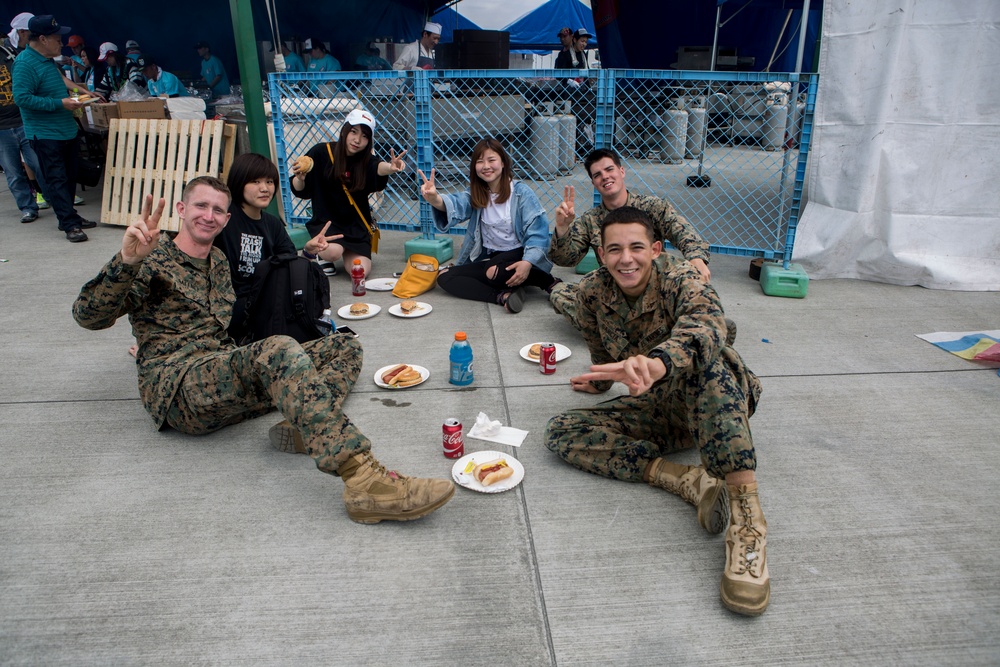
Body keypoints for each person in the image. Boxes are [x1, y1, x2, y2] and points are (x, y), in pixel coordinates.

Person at [73, 176, 456, 524]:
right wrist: (126, 261)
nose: (209, 216)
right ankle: (365, 482)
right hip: (180, 391)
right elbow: (88, 316)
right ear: (181, 210)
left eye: (218, 210)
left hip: (221, 377)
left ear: (226, 220)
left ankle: (305, 425)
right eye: (201, 206)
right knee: (278, 350)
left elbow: (236, 323)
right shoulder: (149, 259)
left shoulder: (219, 260)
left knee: (342, 345)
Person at [544, 206, 769, 616]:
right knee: (561, 429)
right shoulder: (593, 292)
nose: (625, 258)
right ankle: (686, 480)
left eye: (635, 247)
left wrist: (660, 362)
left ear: (656, 248)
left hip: (716, 402)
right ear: (601, 252)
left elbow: (707, 324)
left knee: (710, 364)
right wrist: (599, 381)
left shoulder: (680, 276)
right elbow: (604, 356)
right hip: (659, 407)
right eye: (614, 249)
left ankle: (747, 520)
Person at [549, 148, 714, 325]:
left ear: (621, 171)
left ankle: (619, 328)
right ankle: (641, 326)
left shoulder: (652, 207)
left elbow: (682, 231)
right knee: (561, 292)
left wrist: (696, 258)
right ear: (593, 183)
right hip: (615, 292)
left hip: (654, 289)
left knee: (688, 287)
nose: (605, 176)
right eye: (597, 175)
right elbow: (565, 259)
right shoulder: (590, 220)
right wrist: (563, 227)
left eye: (609, 169)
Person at [419, 137, 560, 314]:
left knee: (493, 272)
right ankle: (503, 296)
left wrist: (527, 262)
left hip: (521, 253)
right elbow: (457, 205)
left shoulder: (521, 193)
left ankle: (546, 280)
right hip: (493, 257)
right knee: (445, 277)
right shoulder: (477, 192)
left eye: (491, 160)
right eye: (480, 161)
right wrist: (434, 198)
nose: (486, 166)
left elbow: (538, 233)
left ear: (503, 163)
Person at [214, 152, 340, 342]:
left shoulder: (272, 224)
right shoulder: (225, 219)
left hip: (269, 300)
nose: (264, 188)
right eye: (255, 182)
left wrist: (307, 252)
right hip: (234, 305)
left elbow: (289, 268)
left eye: (269, 182)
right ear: (239, 182)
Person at [290, 108, 406, 278]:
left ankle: (346, 250)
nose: (358, 140)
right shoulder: (321, 152)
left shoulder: (366, 160)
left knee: (359, 273)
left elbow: (377, 168)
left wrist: (391, 167)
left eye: (365, 136)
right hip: (327, 222)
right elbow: (300, 190)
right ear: (345, 130)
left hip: (356, 225)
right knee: (333, 252)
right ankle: (325, 257)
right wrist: (300, 178)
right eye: (353, 132)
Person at [11, 14, 95, 242]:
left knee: (69, 177)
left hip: (65, 128)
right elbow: (22, 99)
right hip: (45, 133)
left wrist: (82, 91)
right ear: (42, 39)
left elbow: (60, 80)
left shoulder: (48, 60)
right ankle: (70, 225)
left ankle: (69, 216)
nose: (61, 43)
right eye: (57, 39)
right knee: (56, 179)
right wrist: (61, 103)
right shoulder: (24, 64)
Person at [1, 12, 47, 224]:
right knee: (12, 171)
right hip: (2, 127)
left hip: (23, 119)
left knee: (38, 163)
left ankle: (53, 198)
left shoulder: (14, 53)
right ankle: (28, 208)